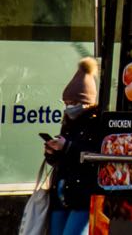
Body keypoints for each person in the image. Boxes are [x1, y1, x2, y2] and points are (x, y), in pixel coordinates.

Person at [45, 60, 99, 235]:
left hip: (82, 197)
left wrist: (67, 147)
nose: (69, 107)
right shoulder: (68, 123)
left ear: (86, 102)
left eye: (73, 102)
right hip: (62, 196)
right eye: (66, 102)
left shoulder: (96, 124)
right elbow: (63, 160)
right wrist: (52, 153)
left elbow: (94, 156)